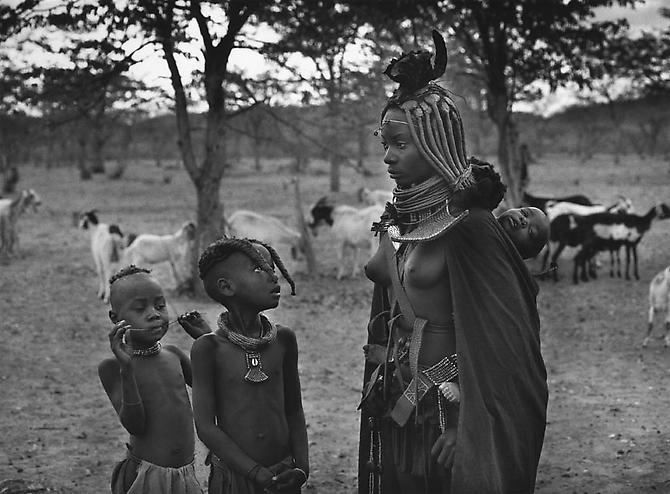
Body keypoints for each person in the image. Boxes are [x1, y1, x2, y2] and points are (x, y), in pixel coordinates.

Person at [357, 30, 548, 494]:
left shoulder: (471, 228)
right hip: (400, 398)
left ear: (438, 140)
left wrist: (469, 426)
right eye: (384, 142)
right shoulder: (405, 220)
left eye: (400, 143)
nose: (387, 156)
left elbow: (505, 348)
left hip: (452, 414)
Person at [189, 237, 309, 494]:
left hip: (285, 473)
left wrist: (302, 469)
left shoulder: (284, 340)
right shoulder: (208, 349)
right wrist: (255, 473)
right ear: (226, 287)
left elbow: (294, 410)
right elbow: (206, 427)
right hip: (235, 478)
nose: (273, 277)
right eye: (259, 269)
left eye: (272, 269)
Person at [98, 265, 204, 494]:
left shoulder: (174, 355)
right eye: (139, 308)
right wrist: (127, 369)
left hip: (186, 475)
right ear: (116, 319)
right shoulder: (113, 368)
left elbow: (213, 386)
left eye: (160, 305)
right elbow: (135, 425)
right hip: (147, 478)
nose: (154, 314)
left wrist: (206, 339)